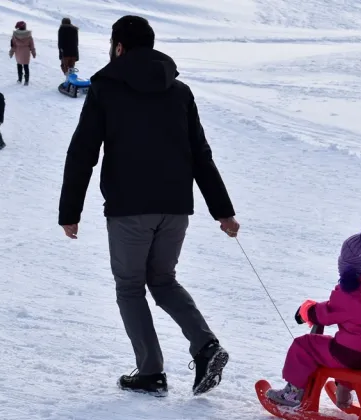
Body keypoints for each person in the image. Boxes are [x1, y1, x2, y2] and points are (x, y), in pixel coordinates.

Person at [57, 15, 240, 397]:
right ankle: (206, 346)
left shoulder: (106, 88)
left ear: (119, 47)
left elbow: (82, 153)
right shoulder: (179, 90)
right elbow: (200, 155)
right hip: (175, 207)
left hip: (128, 208)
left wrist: (69, 212)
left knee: (130, 287)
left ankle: (150, 371)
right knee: (162, 281)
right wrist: (222, 210)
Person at [265, 223, 361, 408]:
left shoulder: (352, 292)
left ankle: (292, 394)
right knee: (344, 343)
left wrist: (308, 310)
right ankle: (344, 394)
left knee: (305, 345)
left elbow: (326, 314)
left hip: (351, 356)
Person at [9, 21, 36, 85]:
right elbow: (32, 45)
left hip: (18, 51)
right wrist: (33, 52)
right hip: (26, 52)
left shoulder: (15, 35)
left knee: (19, 65)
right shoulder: (29, 35)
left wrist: (11, 52)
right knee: (26, 66)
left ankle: (19, 79)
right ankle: (26, 81)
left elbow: (13, 45)